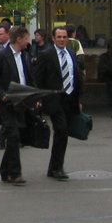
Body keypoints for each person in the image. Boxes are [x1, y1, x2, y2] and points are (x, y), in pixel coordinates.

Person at [0, 24, 34, 185]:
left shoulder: (25, 55)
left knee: (16, 136)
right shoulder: (2, 56)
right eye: (26, 38)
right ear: (19, 39)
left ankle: (5, 171)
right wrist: (1, 94)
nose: (28, 41)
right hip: (7, 102)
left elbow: (28, 77)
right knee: (13, 135)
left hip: (22, 100)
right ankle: (15, 173)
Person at [36, 27, 84, 180]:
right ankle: (57, 168)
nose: (62, 39)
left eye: (64, 37)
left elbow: (75, 75)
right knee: (61, 131)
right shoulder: (46, 54)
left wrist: (79, 100)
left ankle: (54, 167)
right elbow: (39, 77)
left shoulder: (70, 53)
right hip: (54, 99)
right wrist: (38, 97)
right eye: (59, 37)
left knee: (63, 134)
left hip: (70, 99)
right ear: (53, 38)